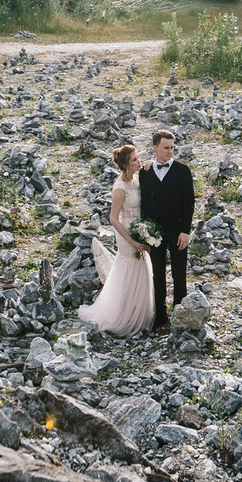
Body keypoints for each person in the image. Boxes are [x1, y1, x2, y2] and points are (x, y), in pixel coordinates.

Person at [77, 142, 156, 335]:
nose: (139, 161)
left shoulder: (137, 179)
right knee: (129, 270)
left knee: (143, 269)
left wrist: (148, 166)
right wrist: (132, 241)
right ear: (126, 165)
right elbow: (113, 219)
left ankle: (140, 312)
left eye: (138, 157)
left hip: (141, 229)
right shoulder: (120, 187)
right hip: (127, 234)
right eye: (135, 159)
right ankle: (124, 315)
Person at [139, 128, 194, 329]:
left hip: (178, 232)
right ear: (155, 148)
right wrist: (145, 232)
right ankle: (160, 315)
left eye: (172, 147)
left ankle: (180, 313)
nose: (170, 151)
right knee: (157, 274)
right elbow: (143, 203)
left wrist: (186, 231)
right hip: (155, 233)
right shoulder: (144, 173)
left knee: (179, 273)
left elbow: (190, 203)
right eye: (166, 147)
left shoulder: (182, 171)